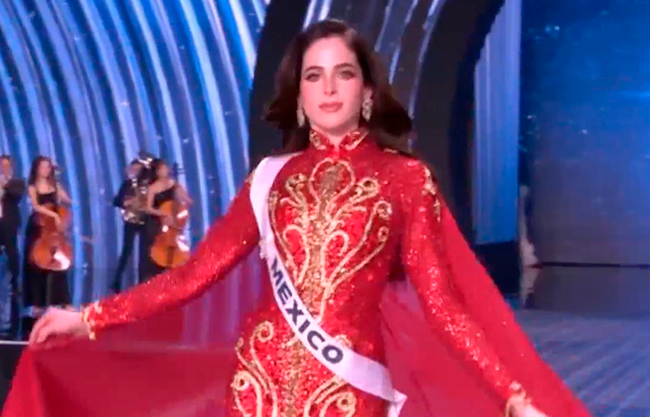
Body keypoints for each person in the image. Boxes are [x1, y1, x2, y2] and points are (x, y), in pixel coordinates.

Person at [25, 20, 590, 417]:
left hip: (348, 388)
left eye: (343, 73)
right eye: (314, 75)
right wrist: (89, 317)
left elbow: (442, 305)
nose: (329, 88)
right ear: (298, 94)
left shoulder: (405, 179)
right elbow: (195, 275)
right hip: (258, 382)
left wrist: (511, 395)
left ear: (367, 90)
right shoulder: (269, 177)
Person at [22, 156, 72, 337]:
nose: (46, 170)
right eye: (43, 167)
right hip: (39, 226)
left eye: (48, 167)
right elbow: (36, 206)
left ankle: (61, 300)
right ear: (36, 168)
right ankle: (37, 304)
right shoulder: (33, 186)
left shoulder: (55, 185)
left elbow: (68, 202)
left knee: (59, 263)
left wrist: (60, 189)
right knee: (36, 264)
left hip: (54, 231)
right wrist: (54, 215)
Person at [139, 159, 192, 282]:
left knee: (175, 243)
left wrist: (181, 207)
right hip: (156, 221)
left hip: (172, 223)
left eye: (166, 168)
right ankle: (151, 280)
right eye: (163, 168)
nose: (166, 170)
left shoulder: (173, 184)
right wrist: (164, 213)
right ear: (157, 172)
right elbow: (148, 208)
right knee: (154, 250)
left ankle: (174, 278)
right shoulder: (152, 188)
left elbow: (187, 201)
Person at [111, 159, 148, 293]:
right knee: (126, 251)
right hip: (131, 220)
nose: (135, 172)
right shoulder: (127, 184)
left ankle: (143, 281)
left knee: (145, 252)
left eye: (138, 170)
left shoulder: (148, 184)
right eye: (133, 169)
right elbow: (116, 201)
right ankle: (117, 280)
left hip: (146, 220)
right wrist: (125, 202)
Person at [0, 155, 25, 339]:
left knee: (12, 252)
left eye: (7, 165)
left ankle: (16, 283)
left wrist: (3, 184)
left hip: (9, 223)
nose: (4, 168)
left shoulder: (17, 183)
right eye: (2, 165)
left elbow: (15, 195)